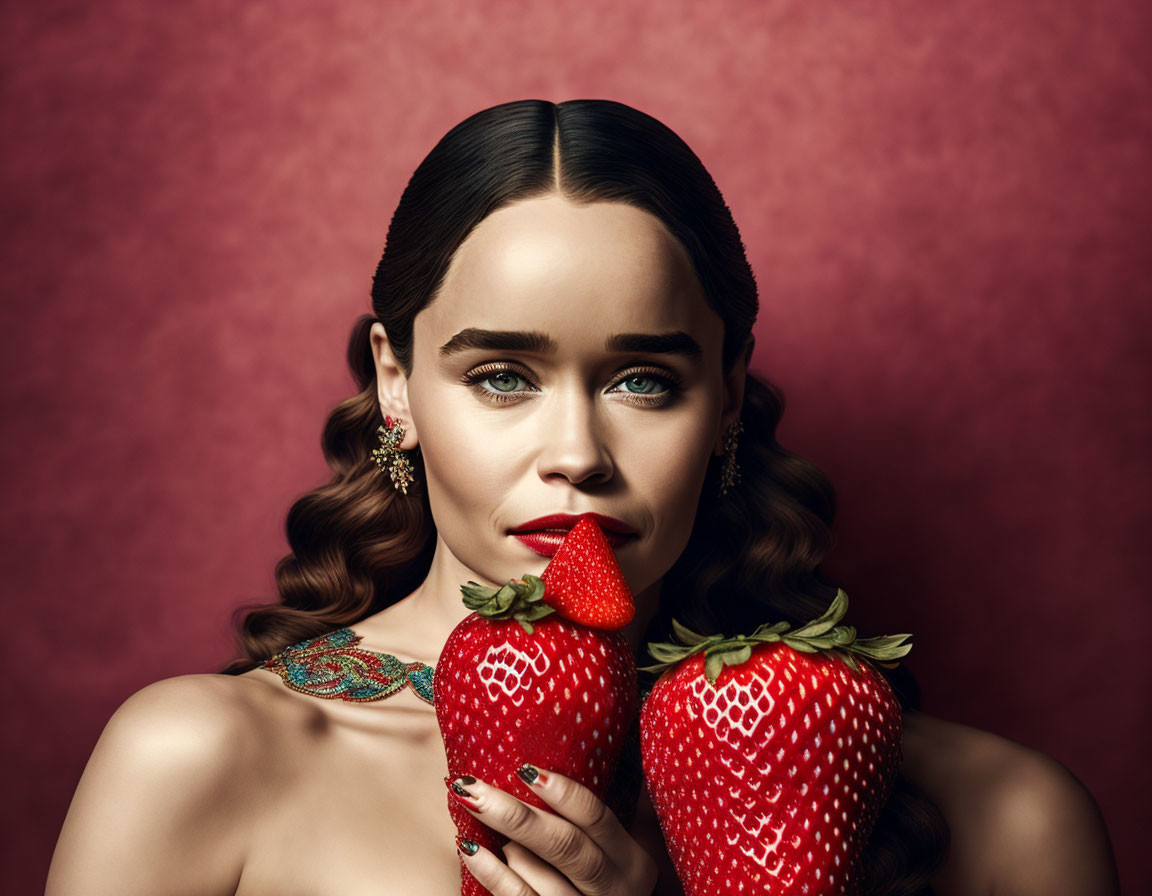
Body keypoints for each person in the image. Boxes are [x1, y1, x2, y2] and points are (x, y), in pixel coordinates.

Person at [46, 99, 1120, 896]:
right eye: (502, 376)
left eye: (642, 379)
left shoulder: (1006, 820)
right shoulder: (200, 761)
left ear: (728, 399)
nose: (578, 452)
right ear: (395, 383)